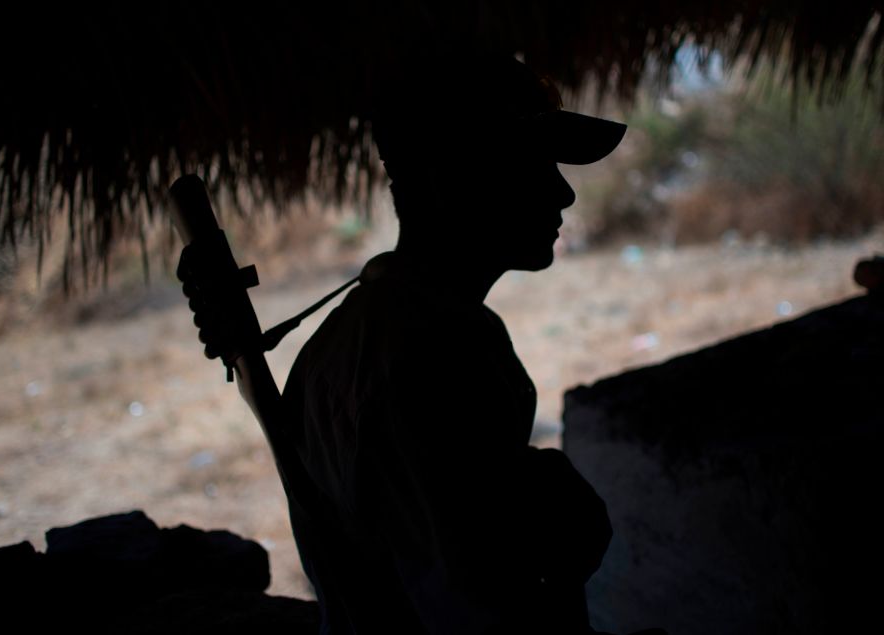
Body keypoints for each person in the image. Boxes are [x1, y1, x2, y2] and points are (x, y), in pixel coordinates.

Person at [181, 49, 658, 634]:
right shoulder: (436, 353)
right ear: (450, 180)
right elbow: (482, 611)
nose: (564, 194)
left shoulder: (362, 330)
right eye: (533, 165)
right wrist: (563, 534)